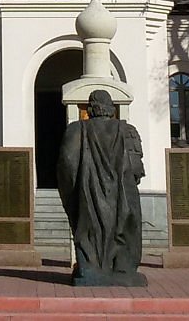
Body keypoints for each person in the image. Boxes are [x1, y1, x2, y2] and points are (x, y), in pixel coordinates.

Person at [56, 89, 146, 286]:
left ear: (90, 109)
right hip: (124, 196)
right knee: (126, 228)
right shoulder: (128, 131)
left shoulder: (76, 130)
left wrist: (73, 195)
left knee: (89, 230)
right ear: (111, 108)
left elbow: (67, 164)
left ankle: (91, 268)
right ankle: (123, 269)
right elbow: (137, 170)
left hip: (88, 193)